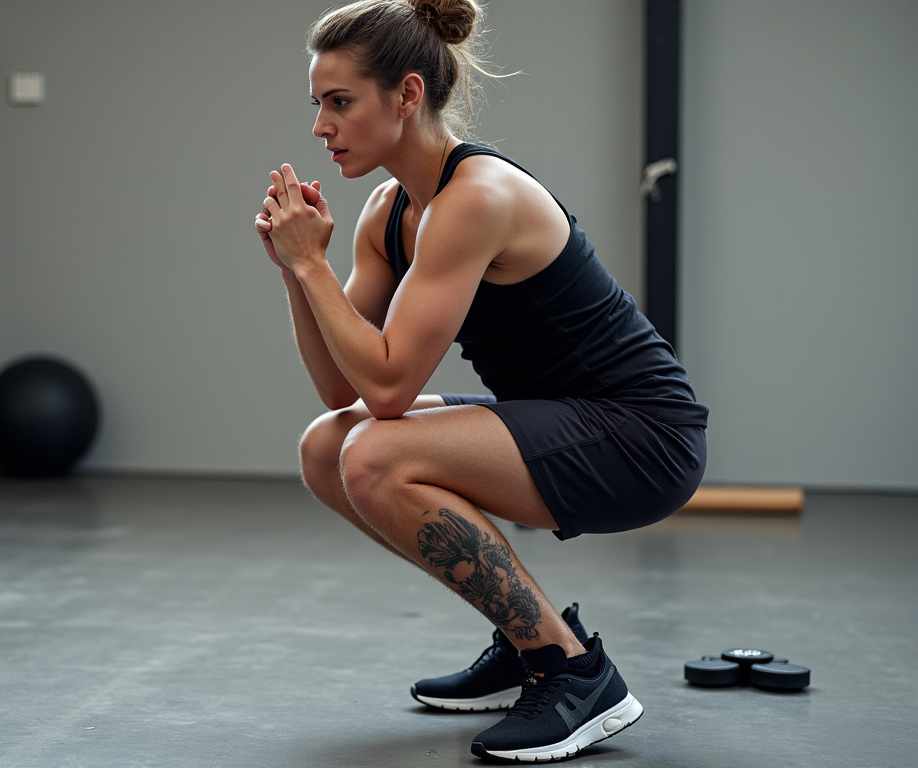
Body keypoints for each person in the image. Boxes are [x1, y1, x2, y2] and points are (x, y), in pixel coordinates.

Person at [252, 0, 708, 762]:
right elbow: (344, 392)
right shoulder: (387, 210)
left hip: (644, 437)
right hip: (559, 416)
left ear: (405, 95)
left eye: (340, 103)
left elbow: (391, 390)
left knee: (373, 455)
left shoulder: (478, 197)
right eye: (318, 105)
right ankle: (524, 637)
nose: (320, 128)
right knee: (326, 446)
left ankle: (575, 673)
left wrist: (308, 266)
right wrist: (299, 276)